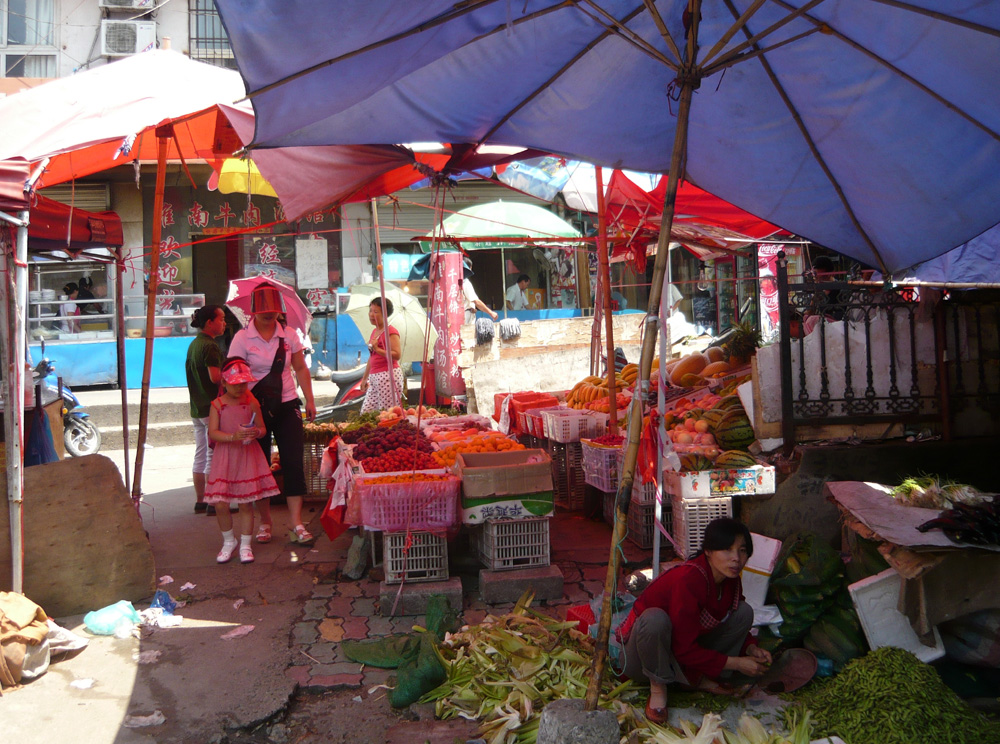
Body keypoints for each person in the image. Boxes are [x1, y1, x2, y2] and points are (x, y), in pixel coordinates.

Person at [618, 517, 772, 724]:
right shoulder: (689, 579)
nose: (736, 558)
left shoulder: (730, 581)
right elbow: (683, 648)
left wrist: (751, 648)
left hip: (680, 653)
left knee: (743, 612)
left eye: (742, 550)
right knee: (655, 619)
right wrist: (736, 664)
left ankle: (695, 679)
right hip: (644, 657)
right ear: (708, 551)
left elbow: (726, 620)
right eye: (727, 550)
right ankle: (658, 687)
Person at [227, 285, 317, 545]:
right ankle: (265, 522)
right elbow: (233, 376)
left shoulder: (289, 335)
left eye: (273, 311)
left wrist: (309, 399)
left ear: (280, 309)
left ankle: (297, 523)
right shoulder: (242, 339)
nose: (269, 315)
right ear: (253, 311)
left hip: (288, 404)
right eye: (264, 311)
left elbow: (300, 368)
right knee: (260, 465)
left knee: (293, 462)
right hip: (254, 408)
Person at [205, 358, 280, 564]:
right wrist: (231, 437)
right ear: (224, 383)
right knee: (221, 503)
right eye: (235, 384)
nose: (240, 388)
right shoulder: (217, 405)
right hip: (225, 457)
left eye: (244, 384)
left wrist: (256, 432)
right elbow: (213, 433)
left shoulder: (252, 401)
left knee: (246, 502)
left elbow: (263, 429)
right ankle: (229, 541)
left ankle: (246, 544)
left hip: (248, 455)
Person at [185, 304, 226, 514]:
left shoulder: (193, 345)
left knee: (200, 453)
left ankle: (200, 500)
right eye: (221, 319)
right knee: (213, 454)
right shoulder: (210, 346)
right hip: (211, 407)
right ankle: (213, 501)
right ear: (210, 322)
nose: (224, 323)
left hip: (196, 406)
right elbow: (215, 377)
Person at [358, 298, 404, 412]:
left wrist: (378, 349)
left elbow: (397, 355)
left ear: (385, 314)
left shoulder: (391, 331)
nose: (371, 315)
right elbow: (372, 357)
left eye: (376, 312)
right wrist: (364, 379)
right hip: (374, 377)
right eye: (370, 311)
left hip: (388, 376)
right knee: (366, 412)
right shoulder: (375, 331)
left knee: (387, 413)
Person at [462, 257, 498, 324]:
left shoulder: (455, 281)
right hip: (466, 314)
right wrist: (491, 313)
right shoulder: (465, 282)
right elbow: (476, 301)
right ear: (469, 268)